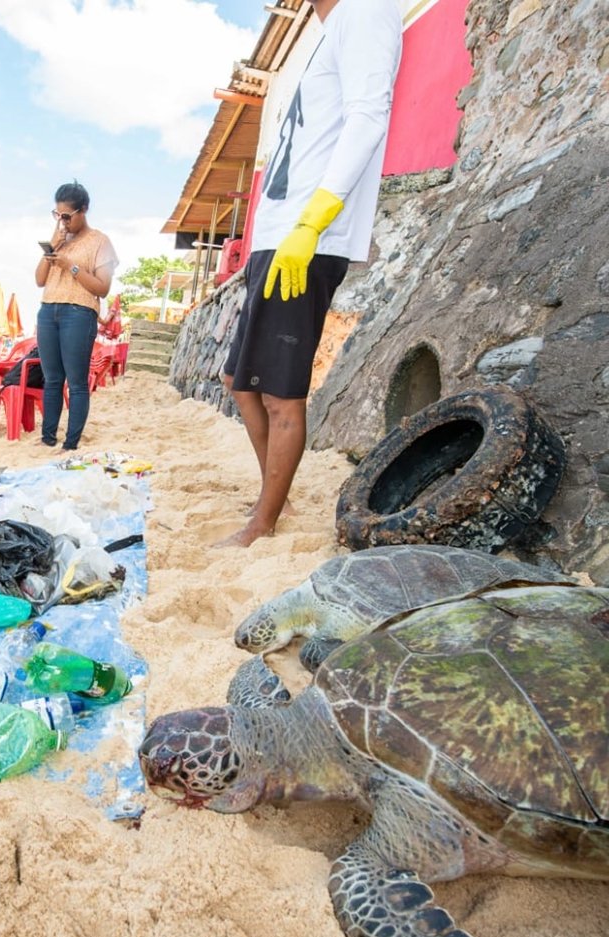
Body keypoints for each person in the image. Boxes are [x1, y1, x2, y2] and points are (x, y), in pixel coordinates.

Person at [217, 0, 402, 548]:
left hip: (305, 238)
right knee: (239, 382)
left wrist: (314, 222)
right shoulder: (323, 36)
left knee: (280, 392)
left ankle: (263, 523)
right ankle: (277, 496)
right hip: (275, 238)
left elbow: (371, 114)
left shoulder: (367, 11)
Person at [33, 181, 117, 451]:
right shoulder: (60, 239)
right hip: (48, 309)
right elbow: (39, 280)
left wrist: (71, 267)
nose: (62, 221)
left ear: (84, 210)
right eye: (57, 215)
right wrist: (52, 250)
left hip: (79, 312)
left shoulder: (100, 241)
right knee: (52, 379)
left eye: (67, 216)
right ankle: (47, 439)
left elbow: (103, 289)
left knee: (77, 382)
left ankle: (71, 444)